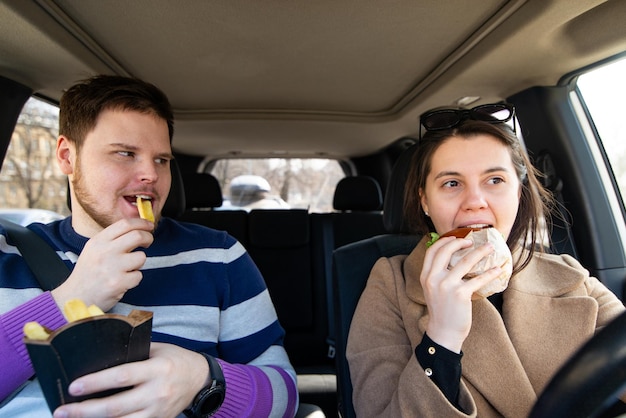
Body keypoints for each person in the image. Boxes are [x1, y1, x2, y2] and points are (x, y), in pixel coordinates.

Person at [0, 75, 298, 417]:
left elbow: (284, 397)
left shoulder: (218, 255)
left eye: (161, 160)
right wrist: (70, 299)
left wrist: (204, 380)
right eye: (125, 153)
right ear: (67, 156)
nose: (151, 174)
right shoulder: (10, 255)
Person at [346, 103, 626, 417]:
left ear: (518, 194)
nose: (475, 202)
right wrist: (442, 338)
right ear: (425, 200)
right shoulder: (389, 285)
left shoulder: (572, 276)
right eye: (452, 184)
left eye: (494, 180)